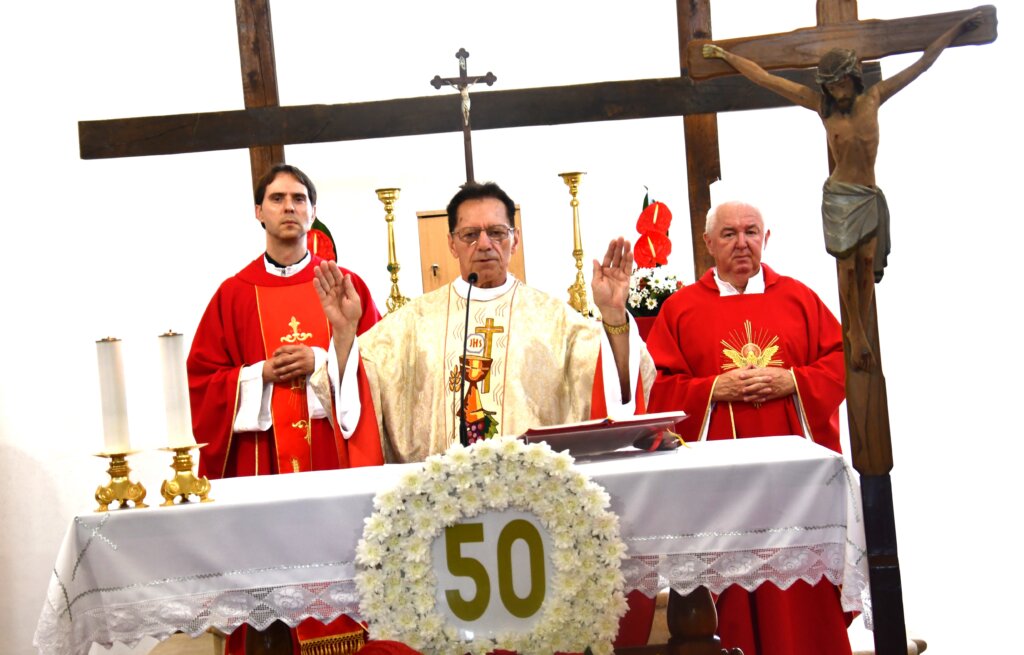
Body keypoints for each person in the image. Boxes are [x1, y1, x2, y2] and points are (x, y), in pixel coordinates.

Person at [314, 181, 658, 646]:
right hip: (440, 519)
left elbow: (617, 386)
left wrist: (614, 316)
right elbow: (355, 387)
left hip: (534, 520)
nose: (485, 245)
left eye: (497, 232)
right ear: (452, 243)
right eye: (471, 234)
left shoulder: (555, 321)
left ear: (515, 239)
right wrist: (342, 334)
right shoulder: (412, 324)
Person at [702, 10, 982, 371]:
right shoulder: (823, 108)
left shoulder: (874, 98)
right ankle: (855, 333)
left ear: (853, 78)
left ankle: (861, 327)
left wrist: (957, 28)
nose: (836, 91)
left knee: (867, 262)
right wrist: (728, 56)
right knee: (847, 267)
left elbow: (924, 62)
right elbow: (767, 79)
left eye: (840, 84)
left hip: (867, 196)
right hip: (839, 197)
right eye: (830, 86)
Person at [186, 163, 382, 654]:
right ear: (259, 211)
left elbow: (381, 368)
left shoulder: (345, 284)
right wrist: (257, 376)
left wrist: (324, 357)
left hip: (331, 458)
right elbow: (203, 379)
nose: (289, 207)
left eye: (299, 198)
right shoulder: (234, 294)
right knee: (266, 602)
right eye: (277, 199)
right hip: (261, 465)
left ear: (313, 212)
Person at [644, 201, 847, 655]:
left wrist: (791, 379)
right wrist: (713, 390)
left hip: (794, 493)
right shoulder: (681, 310)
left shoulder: (799, 299)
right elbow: (658, 390)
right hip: (719, 492)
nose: (742, 243)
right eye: (730, 233)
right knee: (727, 605)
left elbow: (841, 365)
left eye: (752, 232)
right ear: (709, 243)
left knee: (798, 605)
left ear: (766, 238)